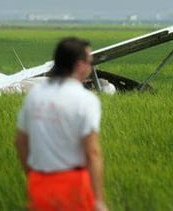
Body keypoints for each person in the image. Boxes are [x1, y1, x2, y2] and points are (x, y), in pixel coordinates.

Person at [15, 37, 108, 211]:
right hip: (74, 186)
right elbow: (92, 152)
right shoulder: (85, 99)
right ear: (79, 66)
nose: (91, 66)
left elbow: (20, 142)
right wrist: (99, 200)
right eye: (89, 61)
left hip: (39, 183)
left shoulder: (35, 95)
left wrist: (33, 175)